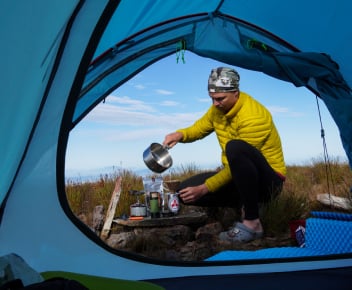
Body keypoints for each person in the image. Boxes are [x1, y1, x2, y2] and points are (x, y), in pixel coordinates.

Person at [163, 67, 286, 243]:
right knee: (184, 191)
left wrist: (205, 188)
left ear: (235, 93)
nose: (215, 104)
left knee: (235, 148)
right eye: (212, 98)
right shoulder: (217, 110)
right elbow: (199, 128)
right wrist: (179, 135)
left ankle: (252, 222)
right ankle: (244, 204)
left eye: (220, 99)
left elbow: (238, 160)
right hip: (239, 174)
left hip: (269, 182)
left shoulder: (254, 116)